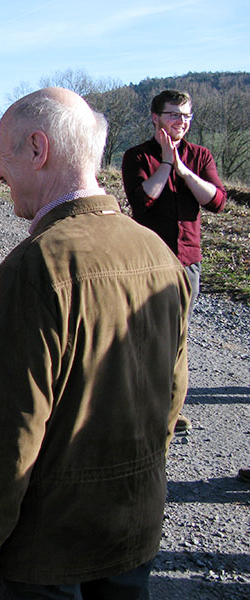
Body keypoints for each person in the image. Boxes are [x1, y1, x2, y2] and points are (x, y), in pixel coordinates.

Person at [0, 87, 191, 599]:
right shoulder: (159, 253)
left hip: (47, 550)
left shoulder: (35, 269)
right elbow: (171, 398)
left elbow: (9, 430)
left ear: (38, 150)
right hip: (133, 528)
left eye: (3, 157)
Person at [122, 90, 226, 433]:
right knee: (144, 332)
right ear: (155, 117)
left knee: (177, 336)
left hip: (187, 260)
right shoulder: (137, 156)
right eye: (174, 115)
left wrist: (184, 171)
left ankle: (169, 408)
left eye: (186, 116)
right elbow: (142, 201)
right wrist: (166, 164)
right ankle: (137, 404)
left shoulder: (200, 155)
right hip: (148, 259)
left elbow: (217, 201)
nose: (181, 122)